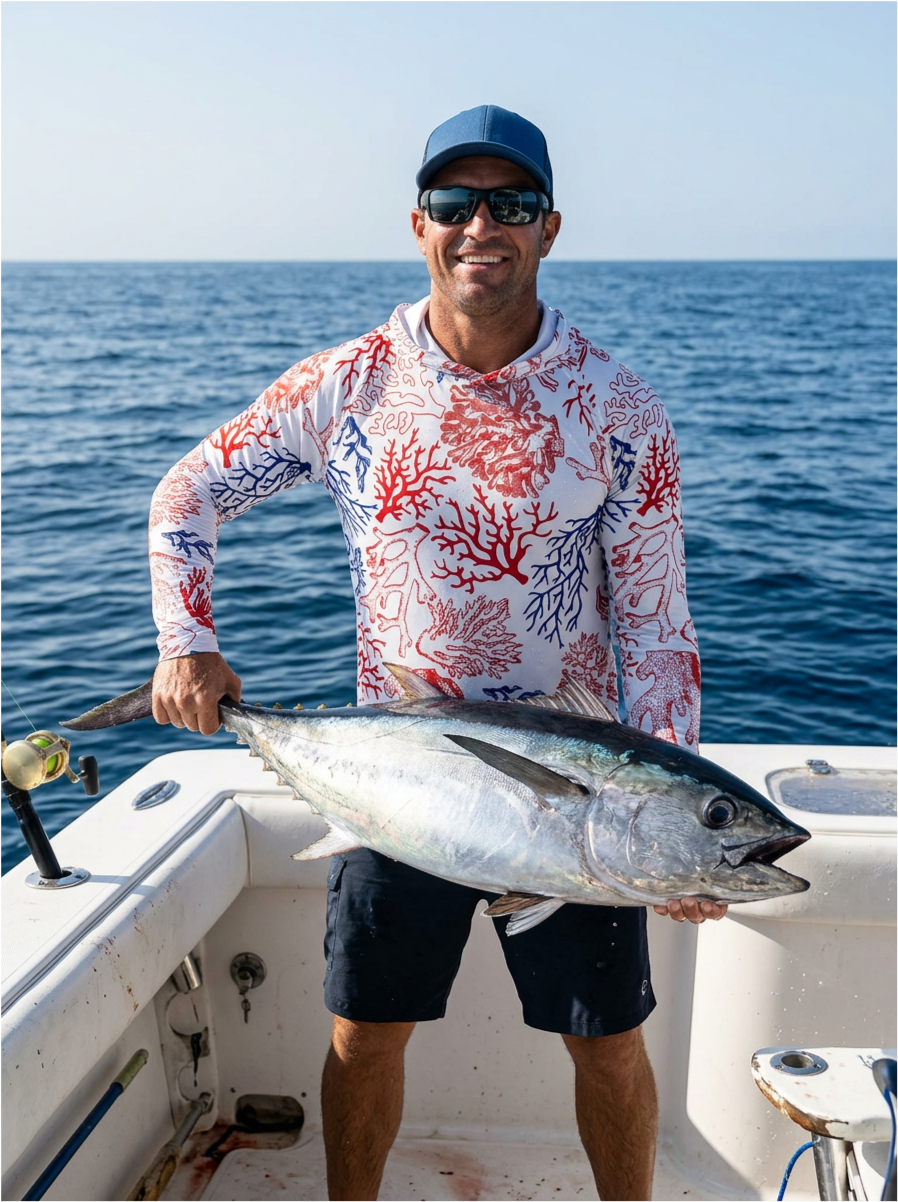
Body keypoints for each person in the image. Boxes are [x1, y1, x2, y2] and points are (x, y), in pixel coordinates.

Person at [149, 105, 726, 1202]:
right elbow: (189, 492)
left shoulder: (618, 408)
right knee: (365, 1034)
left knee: (605, 1044)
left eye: (509, 203)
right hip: (395, 776)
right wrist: (189, 640)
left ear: (550, 227)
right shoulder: (350, 384)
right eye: (456, 203)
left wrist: (669, 834)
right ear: (417, 223)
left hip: (575, 796)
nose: (481, 226)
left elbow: (657, 625)